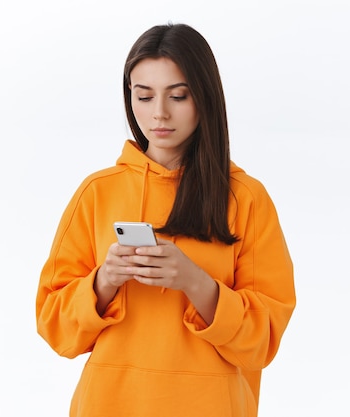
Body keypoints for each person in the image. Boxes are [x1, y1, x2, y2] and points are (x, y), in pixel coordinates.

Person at [35, 23, 296, 417]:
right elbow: (55, 328)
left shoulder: (246, 198)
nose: (158, 113)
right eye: (143, 96)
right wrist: (104, 281)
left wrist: (194, 282)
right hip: (109, 404)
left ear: (204, 98)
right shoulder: (97, 192)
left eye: (178, 96)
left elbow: (263, 341)